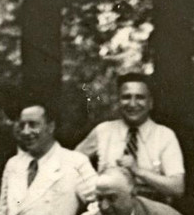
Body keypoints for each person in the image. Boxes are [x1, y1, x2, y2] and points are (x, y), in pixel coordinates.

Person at [75, 73, 185, 203]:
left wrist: (138, 171)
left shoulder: (165, 135)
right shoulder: (103, 131)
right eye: (126, 97)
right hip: (107, 209)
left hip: (150, 211)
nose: (132, 104)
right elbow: (71, 164)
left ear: (150, 103)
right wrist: (93, 187)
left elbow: (177, 187)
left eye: (140, 97)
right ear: (118, 101)